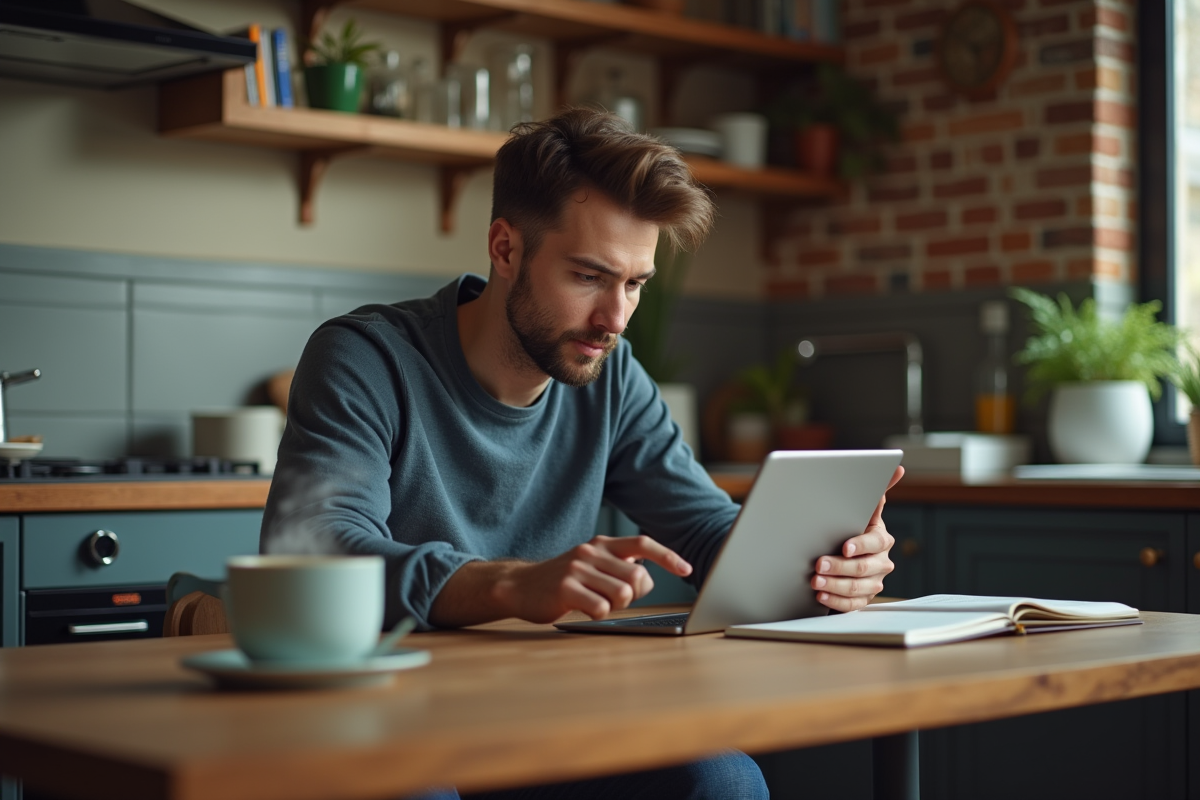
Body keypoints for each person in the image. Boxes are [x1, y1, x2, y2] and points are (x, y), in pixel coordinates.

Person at [262, 107, 902, 800]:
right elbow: (316, 550)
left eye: (635, 284)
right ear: (505, 250)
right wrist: (509, 585)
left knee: (722, 782)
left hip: (550, 717)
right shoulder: (366, 358)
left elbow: (712, 534)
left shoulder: (612, 377)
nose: (615, 320)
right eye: (590, 277)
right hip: (392, 712)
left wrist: (825, 565)